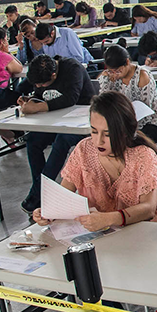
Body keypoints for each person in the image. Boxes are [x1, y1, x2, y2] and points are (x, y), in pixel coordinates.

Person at [31, 92, 157, 312]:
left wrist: (111, 218)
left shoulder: (143, 156)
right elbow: (64, 191)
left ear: (125, 131)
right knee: (83, 268)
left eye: (107, 134)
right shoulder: (83, 151)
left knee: (97, 271)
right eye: (94, 131)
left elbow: (147, 208)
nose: (98, 141)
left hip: (142, 233)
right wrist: (48, 211)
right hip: (100, 233)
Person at [16, 55, 95, 212]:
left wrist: (38, 108)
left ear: (54, 75)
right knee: (32, 139)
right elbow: (40, 96)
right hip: (55, 120)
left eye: (42, 83)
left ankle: (37, 194)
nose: (39, 86)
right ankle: (42, 193)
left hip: (82, 122)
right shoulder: (41, 73)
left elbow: (70, 99)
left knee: (62, 141)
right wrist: (31, 101)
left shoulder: (73, 68)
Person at [98, 45, 157, 142]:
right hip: (122, 123)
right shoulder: (111, 77)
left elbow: (145, 112)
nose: (115, 74)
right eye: (111, 71)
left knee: (130, 140)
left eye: (118, 71)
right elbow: (103, 102)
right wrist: (105, 80)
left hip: (152, 123)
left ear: (127, 62)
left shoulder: (142, 76)